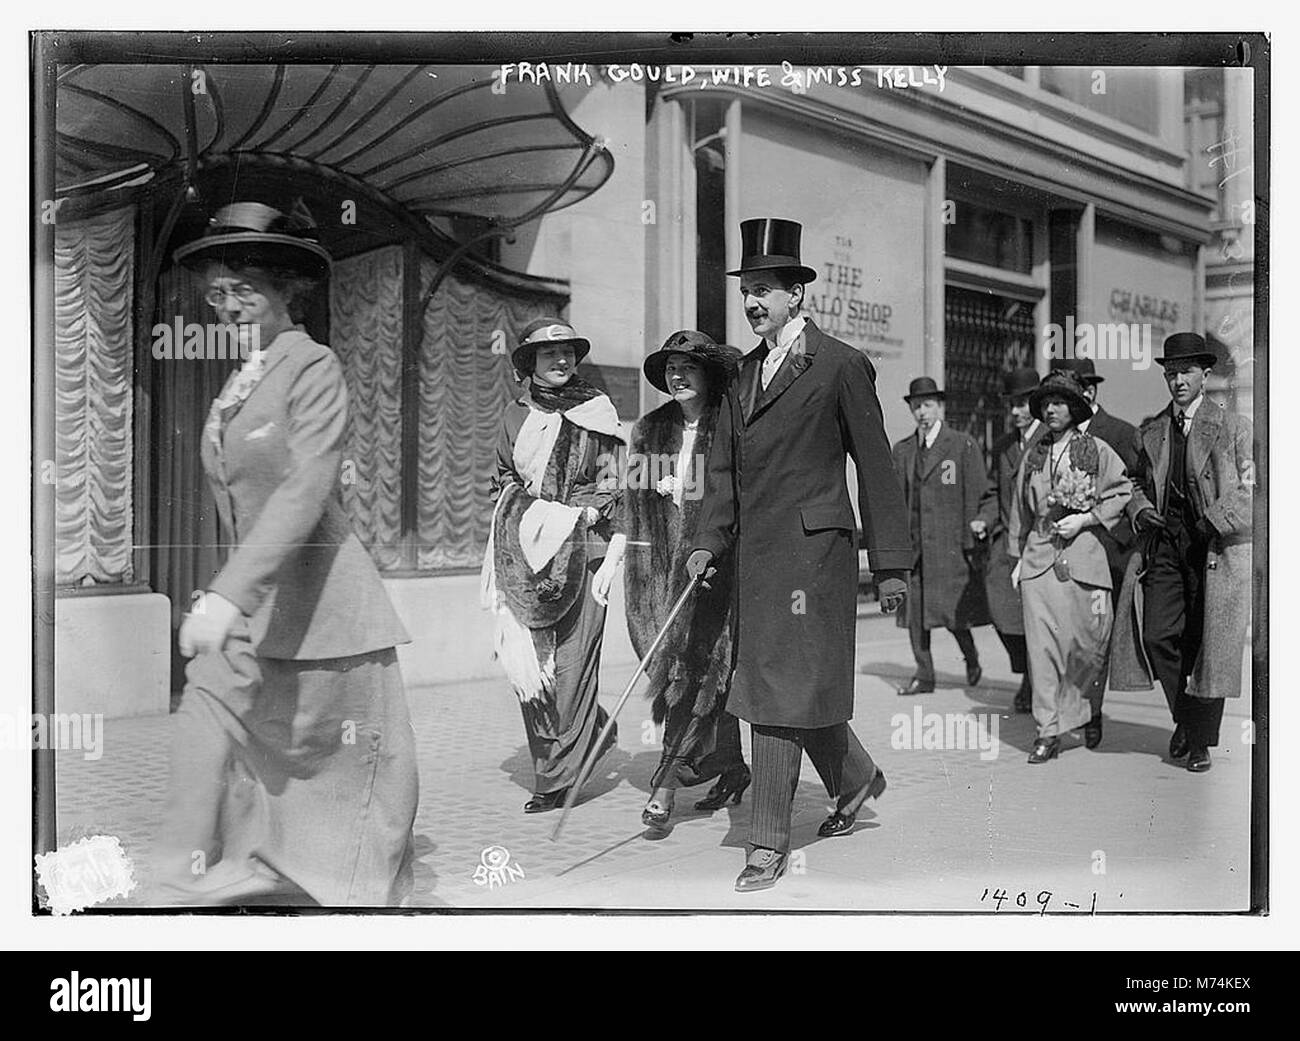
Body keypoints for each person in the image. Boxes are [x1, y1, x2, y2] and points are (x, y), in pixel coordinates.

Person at [153, 201, 418, 906]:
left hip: (330, 615)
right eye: (217, 293)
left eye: (245, 289)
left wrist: (227, 593)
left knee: (342, 783)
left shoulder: (313, 366)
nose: (228, 305)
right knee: (255, 781)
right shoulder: (242, 380)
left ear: (284, 290)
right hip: (268, 616)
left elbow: (304, 489)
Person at [688, 218, 911, 892]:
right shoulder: (741, 374)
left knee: (775, 693)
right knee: (789, 684)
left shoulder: (840, 364)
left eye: (764, 290)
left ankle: (766, 842)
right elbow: (723, 471)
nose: (753, 302)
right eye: (747, 290)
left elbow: (875, 466)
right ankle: (854, 778)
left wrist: (893, 568)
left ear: (796, 296)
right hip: (754, 560)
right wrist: (704, 542)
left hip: (815, 558)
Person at [481, 318, 626, 812]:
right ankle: (581, 740)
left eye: (568, 353)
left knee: (573, 664)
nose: (561, 361)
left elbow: (612, 478)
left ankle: (559, 779)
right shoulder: (513, 416)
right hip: (528, 552)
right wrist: (525, 510)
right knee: (533, 667)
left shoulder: (598, 412)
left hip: (587, 548)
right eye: (549, 355)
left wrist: (581, 510)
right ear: (530, 364)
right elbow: (501, 476)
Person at [609, 330, 749, 830]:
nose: (678, 375)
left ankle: (664, 788)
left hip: (718, 572)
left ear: (708, 374)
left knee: (697, 673)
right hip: (660, 576)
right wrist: (622, 562)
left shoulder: (730, 424)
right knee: (690, 673)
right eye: (671, 367)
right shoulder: (650, 430)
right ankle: (730, 766)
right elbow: (635, 507)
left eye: (688, 366)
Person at [1117, 333, 1253, 773]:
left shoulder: (1234, 427)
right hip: (1166, 548)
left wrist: (1215, 520)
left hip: (1215, 549)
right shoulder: (1152, 430)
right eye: (1171, 373)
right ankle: (1187, 720)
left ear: (1205, 375)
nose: (1178, 381)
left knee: (1206, 644)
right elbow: (1133, 482)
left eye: (1186, 372)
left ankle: (1199, 742)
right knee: (1156, 634)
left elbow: (1256, 489)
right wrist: (1140, 510)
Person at [1008, 368, 1132, 764]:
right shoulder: (1035, 454)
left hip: (1084, 560)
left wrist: (1087, 519)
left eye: (1060, 402)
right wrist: (1017, 559)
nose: (1052, 409)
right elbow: (1018, 510)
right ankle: (1047, 732)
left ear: (1075, 407)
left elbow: (1122, 491)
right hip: (1039, 560)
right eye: (1046, 403)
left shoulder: (1095, 449)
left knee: (1088, 644)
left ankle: (1088, 710)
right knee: (1042, 650)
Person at [891, 377, 990, 695]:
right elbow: (896, 500)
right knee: (915, 616)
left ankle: (971, 657)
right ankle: (925, 675)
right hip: (915, 547)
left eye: (928, 405)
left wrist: (975, 530)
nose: (922, 412)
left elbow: (979, 495)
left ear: (940, 407)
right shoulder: (903, 450)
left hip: (948, 548)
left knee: (953, 616)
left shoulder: (962, 444)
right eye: (916, 406)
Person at [1065, 358, 1142, 747]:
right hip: (1064, 555)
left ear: (1089, 392)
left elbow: (1137, 490)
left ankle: (1092, 714)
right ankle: (1067, 710)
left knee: (1097, 638)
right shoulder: (1052, 437)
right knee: (1068, 636)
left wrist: (1120, 541)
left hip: (1108, 555)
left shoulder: (1121, 433)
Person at [972, 368, 1044, 713]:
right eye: (1011, 405)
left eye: (1023, 403)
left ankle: (1033, 681)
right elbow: (990, 492)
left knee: (1036, 615)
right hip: (1006, 543)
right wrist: (983, 520)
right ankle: (1027, 669)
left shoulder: (1050, 439)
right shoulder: (1002, 446)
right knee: (1000, 610)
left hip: (1041, 543)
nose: (1016, 411)